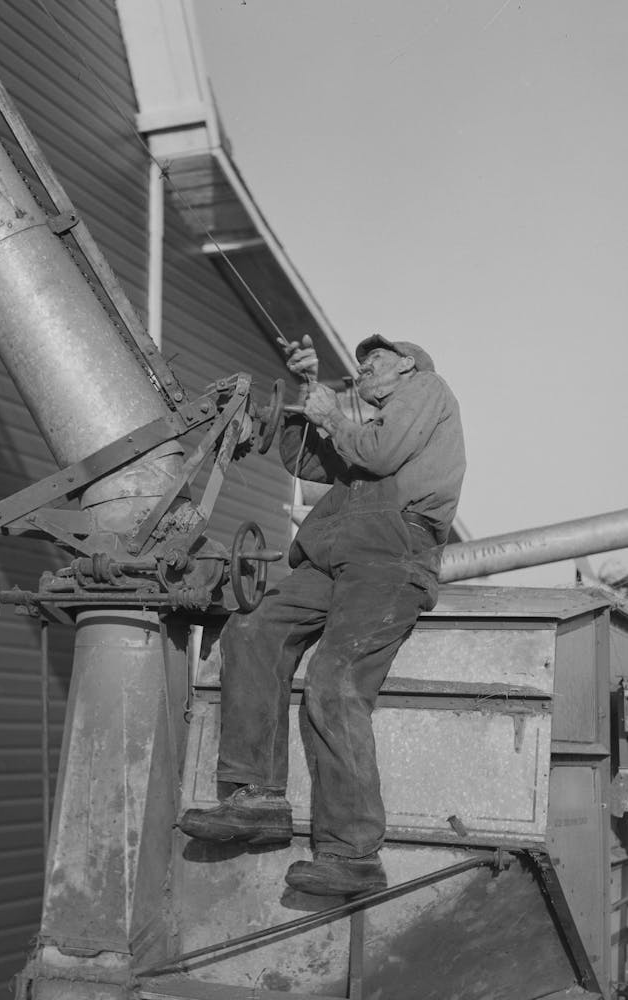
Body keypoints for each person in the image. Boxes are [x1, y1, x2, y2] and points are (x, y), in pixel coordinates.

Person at [179, 332, 466, 896]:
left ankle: (352, 853)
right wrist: (305, 393)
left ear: (407, 364)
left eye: (375, 359)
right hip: (330, 556)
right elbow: (306, 460)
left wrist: (332, 413)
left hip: (391, 555)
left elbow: (379, 454)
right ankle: (256, 798)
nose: (364, 368)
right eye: (361, 363)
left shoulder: (427, 390)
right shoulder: (366, 430)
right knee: (252, 627)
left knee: (334, 680)